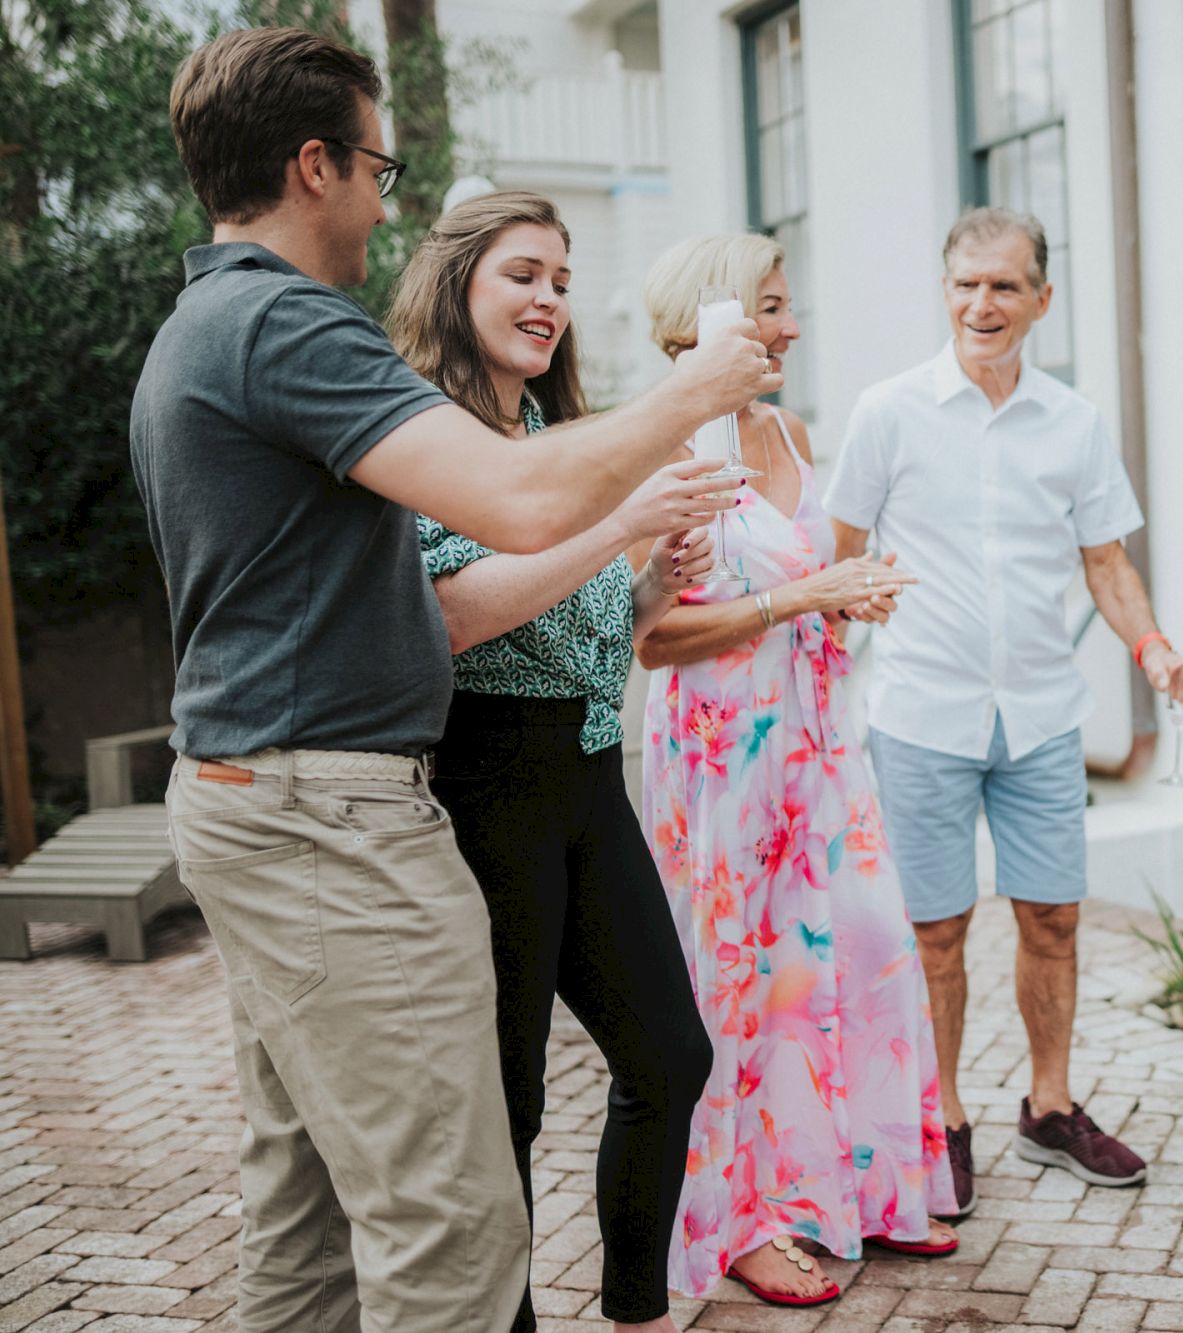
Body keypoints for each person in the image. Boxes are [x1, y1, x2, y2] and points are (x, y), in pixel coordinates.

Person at [131, 28, 771, 1332]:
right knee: (458, 1222)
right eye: (377, 163)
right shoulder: (285, 323)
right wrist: (697, 385)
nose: (387, 196)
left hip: (267, 790)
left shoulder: (209, 324)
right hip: (331, 814)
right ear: (314, 165)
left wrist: (637, 563)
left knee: (307, 1210)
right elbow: (517, 505)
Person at [823, 207, 1183, 1216]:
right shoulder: (889, 410)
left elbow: (1105, 563)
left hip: (1040, 715)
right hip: (919, 713)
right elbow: (837, 554)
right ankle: (939, 1117)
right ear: (943, 291)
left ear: (1040, 299)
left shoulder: (1073, 422)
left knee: (1051, 918)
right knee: (937, 932)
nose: (980, 304)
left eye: (1003, 285)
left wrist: (1156, 650)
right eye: (964, 284)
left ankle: (1047, 1108)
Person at [384, 190, 718, 1333]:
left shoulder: (548, 441)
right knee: (505, 1105)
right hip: (489, 787)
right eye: (522, 274)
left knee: (671, 1056)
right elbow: (457, 619)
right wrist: (620, 521)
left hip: (589, 774)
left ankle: (636, 1310)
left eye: (563, 283)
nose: (548, 301)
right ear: (456, 283)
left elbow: (577, 637)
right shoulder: (427, 434)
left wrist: (648, 593)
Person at [634, 233, 957, 1307]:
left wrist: (849, 591)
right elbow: (656, 639)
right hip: (722, 760)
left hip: (818, 744)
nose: (791, 326)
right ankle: (741, 1220)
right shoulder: (670, 451)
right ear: (718, 318)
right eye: (771, 306)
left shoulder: (786, 429)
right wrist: (804, 598)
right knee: (740, 983)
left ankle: (850, 1186)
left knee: (851, 952)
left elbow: (803, 578)